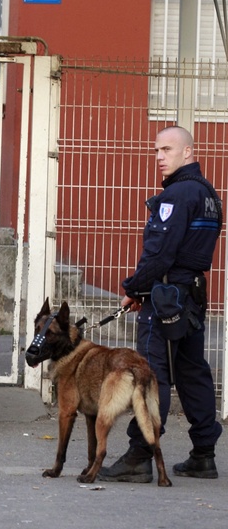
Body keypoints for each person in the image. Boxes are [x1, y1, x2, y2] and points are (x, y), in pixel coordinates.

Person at [98, 125, 223, 482]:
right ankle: (203, 454)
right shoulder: (209, 194)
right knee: (192, 371)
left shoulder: (176, 196)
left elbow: (159, 254)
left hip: (167, 299)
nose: (158, 157)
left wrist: (134, 288)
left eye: (167, 149)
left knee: (151, 377)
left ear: (188, 152)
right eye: (157, 150)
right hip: (192, 297)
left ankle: (139, 456)